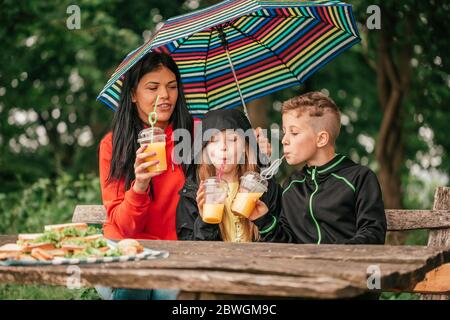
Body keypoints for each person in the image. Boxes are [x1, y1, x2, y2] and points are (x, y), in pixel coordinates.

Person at [252, 92, 387, 245]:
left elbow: (373, 233)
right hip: (299, 268)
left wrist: (333, 256)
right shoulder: (291, 185)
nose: (284, 140)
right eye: (285, 132)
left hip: (348, 266)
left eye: (294, 132)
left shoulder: (359, 178)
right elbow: (286, 243)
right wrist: (264, 220)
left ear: (321, 139)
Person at [176, 109, 282, 242]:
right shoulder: (194, 193)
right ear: (204, 148)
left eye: (232, 139)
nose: (223, 147)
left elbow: (285, 242)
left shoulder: (263, 188)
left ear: (245, 145)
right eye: (213, 140)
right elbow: (189, 254)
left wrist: (264, 221)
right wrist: (205, 222)